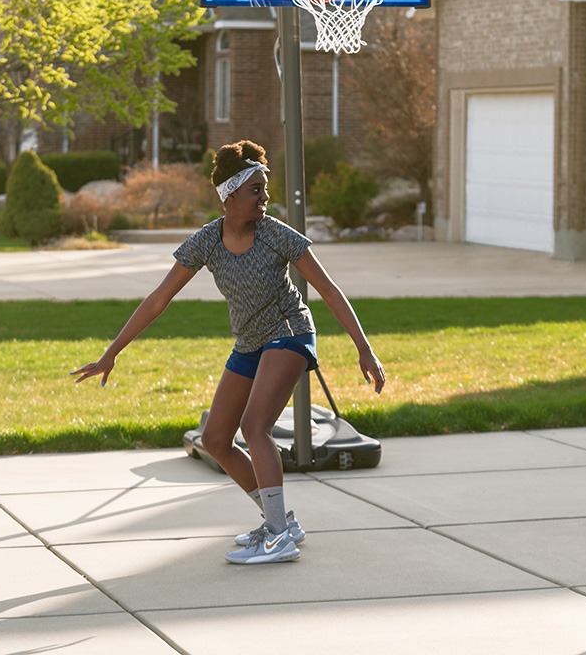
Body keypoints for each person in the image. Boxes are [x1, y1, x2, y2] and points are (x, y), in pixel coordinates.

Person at [71, 140, 386, 565]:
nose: (264, 197)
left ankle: (278, 538)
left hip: (289, 332)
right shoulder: (207, 241)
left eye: (265, 189)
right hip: (250, 342)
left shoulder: (276, 234)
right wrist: (112, 353)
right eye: (256, 189)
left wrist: (364, 349)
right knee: (217, 438)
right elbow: (158, 299)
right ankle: (280, 521)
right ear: (230, 195)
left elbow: (328, 290)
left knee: (256, 426)